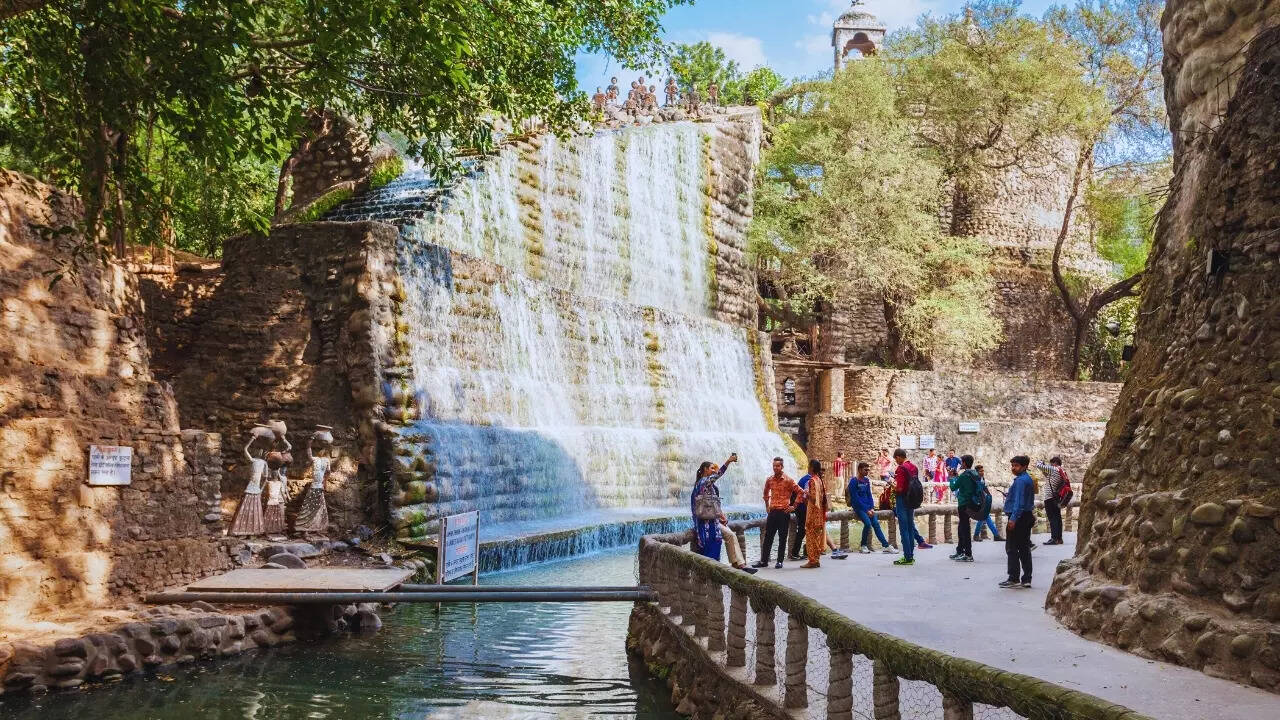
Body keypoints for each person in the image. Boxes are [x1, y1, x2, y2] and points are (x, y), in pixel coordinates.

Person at [692, 455, 757, 574]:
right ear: (705, 469)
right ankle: (720, 570)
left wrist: (721, 515)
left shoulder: (711, 486)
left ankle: (739, 564)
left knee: (731, 535)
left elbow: (713, 503)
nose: (713, 470)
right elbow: (717, 475)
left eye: (713, 468)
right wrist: (728, 461)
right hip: (705, 524)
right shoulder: (702, 482)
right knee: (712, 548)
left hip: (714, 521)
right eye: (711, 468)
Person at [753, 457, 803, 569]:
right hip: (772, 512)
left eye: (778, 466)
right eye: (774, 465)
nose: (775, 467)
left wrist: (793, 506)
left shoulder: (788, 480)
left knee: (782, 537)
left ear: (782, 467)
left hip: (784, 512)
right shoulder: (769, 479)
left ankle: (779, 561)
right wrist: (767, 505)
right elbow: (765, 492)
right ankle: (764, 561)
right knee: (768, 537)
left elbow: (801, 492)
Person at [1000, 455, 1036, 588]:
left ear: (1024, 466)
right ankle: (1027, 578)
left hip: (1019, 517)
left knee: (1012, 548)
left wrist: (1013, 519)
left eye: (1016, 466)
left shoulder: (1021, 481)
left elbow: (1019, 502)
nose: (1013, 468)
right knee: (1024, 548)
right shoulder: (1027, 479)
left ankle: (1013, 577)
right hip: (1026, 516)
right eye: (1013, 465)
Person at [849, 462, 894, 554]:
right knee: (868, 524)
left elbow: (869, 495)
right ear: (859, 470)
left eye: (868, 470)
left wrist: (872, 508)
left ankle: (886, 546)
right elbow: (855, 498)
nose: (867, 472)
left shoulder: (866, 481)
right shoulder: (853, 481)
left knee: (876, 524)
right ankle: (863, 545)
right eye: (865, 470)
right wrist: (866, 510)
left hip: (869, 508)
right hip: (859, 508)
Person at [891, 449, 920, 566]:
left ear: (899, 457)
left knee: (904, 529)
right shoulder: (914, 467)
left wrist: (892, 485)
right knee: (910, 526)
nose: (896, 461)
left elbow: (899, 489)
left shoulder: (901, 468)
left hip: (902, 499)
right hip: (912, 499)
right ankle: (911, 556)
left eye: (896, 459)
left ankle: (907, 557)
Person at [950, 455, 979, 562]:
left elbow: (953, 487)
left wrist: (952, 478)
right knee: (962, 527)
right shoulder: (974, 473)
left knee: (964, 529)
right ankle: (960, 551)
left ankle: (968, 554)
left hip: (963, 504)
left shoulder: (964, 475)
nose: (961, 464)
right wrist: (958, 477)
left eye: (962, 462)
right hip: (971, 503)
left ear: (965, 463)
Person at [801, 460, 828, 568]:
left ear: (811, 468)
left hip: (813, 512)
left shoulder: (812, 481)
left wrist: (806, 493)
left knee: (811, 537)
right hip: (820, 512)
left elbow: (813, 498)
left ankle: (812, 560)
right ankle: (816, 559)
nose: (808, 468)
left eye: (809, 466)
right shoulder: (820, 480)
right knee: (816, 537)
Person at [1036, 456, 1067, 545]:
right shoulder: (1061, 471)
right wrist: (1044, 468)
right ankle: (1059, 538)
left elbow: (1039, 465)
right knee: (1057, 518)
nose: (1050, 465)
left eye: (1051, 464)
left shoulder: (1054, 469)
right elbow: (1047, 476)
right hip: (1057, 498)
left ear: (1055, 463)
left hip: (1050, 498)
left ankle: (1054, 538)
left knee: (1052, 518)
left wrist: (1040, 461)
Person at [788, 466, 811, 561]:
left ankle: (801, 552)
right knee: (803, 529)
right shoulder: (809, 480)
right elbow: (805, 495)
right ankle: (795, 552)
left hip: (800, 507)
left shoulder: (806, 478)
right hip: (802, 508)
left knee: (804, 529)